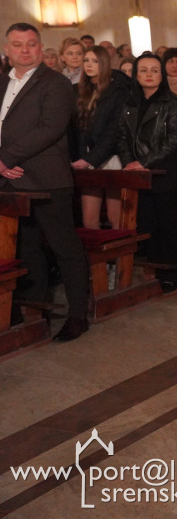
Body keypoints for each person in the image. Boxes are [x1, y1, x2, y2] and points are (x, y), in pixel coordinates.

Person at [2, 23, 91, 341]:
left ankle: (78, 315)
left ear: (40, 48)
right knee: (23, 249)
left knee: (63, 247)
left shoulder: (56, 83)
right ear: (7, 50)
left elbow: (50, 127)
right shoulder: (2, 82)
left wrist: (5, 158)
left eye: (31, 44)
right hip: (10, 180)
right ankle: (30, 311)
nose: (24, 50)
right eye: (17, 45)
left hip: (47, 179)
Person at [118, 53, 177, 293]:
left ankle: (174, 273)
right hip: (139, 174)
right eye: (143, 70)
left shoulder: (172, 102)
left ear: (161, 75)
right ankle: (155, 270)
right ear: (136, 75)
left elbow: (174, 140)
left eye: (154, 70)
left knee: (167, 225)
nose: (149, 74)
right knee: (147, 225)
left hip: (166, 173)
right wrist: (129, 163)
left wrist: (144, 162)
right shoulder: (129, 103)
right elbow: (122, 137)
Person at [71, 46, 132, 229]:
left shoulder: (117, 91)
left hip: (111, 157)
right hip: (86, 156)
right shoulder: (79, 90)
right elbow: (77, 129)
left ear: (104, 63)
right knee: (89, 220)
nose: (89, 65)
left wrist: (91, 159)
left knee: (116, 219)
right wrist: (81, 157)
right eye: (86, 60)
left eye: (95, 61)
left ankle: (121, 249)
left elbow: (114, 131)